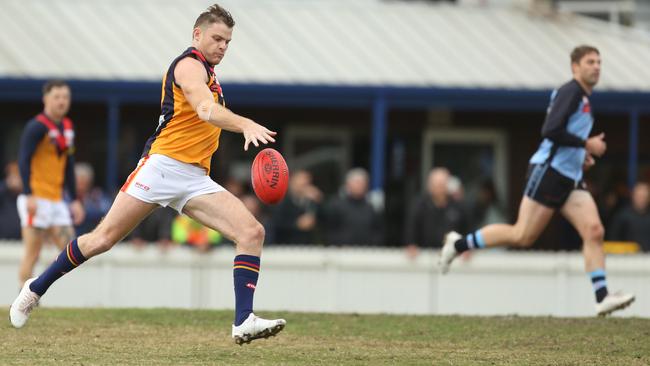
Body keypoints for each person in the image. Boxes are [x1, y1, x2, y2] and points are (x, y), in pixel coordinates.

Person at [10, 4, 285, 344]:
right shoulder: (188, 66)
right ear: (196, 35)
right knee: (102, 239)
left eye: (228, 41)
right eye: (217, 38)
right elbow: (204, 109)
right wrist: (244, 124)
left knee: (251, 232)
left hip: (194, 178)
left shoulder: (212, 75)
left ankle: (243, 320)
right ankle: (35, 289)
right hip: (161, 167)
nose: (223, 46)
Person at [439, 45, 635, 316]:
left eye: (599, 62)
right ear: (575, 67)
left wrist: (581, 153)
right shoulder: (572, 91)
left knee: (594, 231)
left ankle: (602, 297)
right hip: (549, 172)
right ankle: (458, 244)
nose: (597, 66)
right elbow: (550, 130)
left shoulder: (584, 98)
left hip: (570, 176)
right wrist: (586, 144)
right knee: (522, 235)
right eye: (590, 61)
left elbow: (563, 135)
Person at [15, 80, 85, 289]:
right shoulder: (36, 126)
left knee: (70, 248)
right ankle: (23, 293)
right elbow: (23, 160)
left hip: (56, 199)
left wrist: (73, 200)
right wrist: (28, 194)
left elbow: (68, 164)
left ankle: (39, 287)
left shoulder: (67, 127)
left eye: (65, 97)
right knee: (32, 252)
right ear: (46, 99)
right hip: (36, 196)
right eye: (57, 97)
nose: (62, 101)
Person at [404, 167, 468, 258]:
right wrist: (411, 244)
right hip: (423, 256)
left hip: (453, 257)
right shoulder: (419, 206)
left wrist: (466, 247)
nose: (440, 189)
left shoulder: (459, 206)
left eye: (442, 185)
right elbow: (411, 228)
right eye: (436, 185)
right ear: (430, 186)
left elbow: (467, 229)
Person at [323, 168, 382, 246]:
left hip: (366, 252)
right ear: (348, 184)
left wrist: (373, 245)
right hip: (341, 252)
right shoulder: (336, 205)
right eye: (357, 183)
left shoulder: (372, 206)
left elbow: (378, 231)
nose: (360, 186)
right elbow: (329, 229)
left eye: (362, 183)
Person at [270, 169, 322, 244]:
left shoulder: (312, 200)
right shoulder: (281, 200)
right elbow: (276, 223)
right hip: (287, 246)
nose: (305, 184)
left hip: (309, 246)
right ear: (292, 182)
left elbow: (326, 219)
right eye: (301, 181)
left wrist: (319, 200)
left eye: (307, 181)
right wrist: (296, 224)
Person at [608, 182, 650, 251]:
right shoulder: (622, 215)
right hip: (627, 257)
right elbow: (613, 239)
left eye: (644, 196)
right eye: (639, 196)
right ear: (633, 196)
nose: (641, 199)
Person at [74, 162, 111, 236]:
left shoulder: (97, 196)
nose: (80, 187)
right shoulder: (66, 198)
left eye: (83, 183)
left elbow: (109, 212)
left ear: (89, 183)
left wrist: (85, 212)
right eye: (78, 183)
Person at [0, 162, 23, 240]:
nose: (16, 180)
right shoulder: (3, 192)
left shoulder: (25, 195)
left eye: (18, 176)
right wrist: (6, 184)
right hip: (3, 241)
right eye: (13, 176)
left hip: (21, 241)